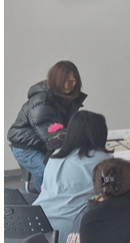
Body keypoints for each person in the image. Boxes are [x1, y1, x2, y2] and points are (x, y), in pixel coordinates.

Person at [33, 110, 111, 243]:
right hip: (72, 233)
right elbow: (114, 192)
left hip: (36, 226)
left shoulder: (55, 155)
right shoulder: (101, 159)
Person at [7, 60, 86, 190]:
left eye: (72, 81)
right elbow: (51, 136)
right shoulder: (41, 101)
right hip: (26, 148)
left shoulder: (67, 99)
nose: (69, 85)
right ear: (55, 80)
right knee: (51, 174)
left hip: (44, 146)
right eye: (65, 80)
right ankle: (45, 200)